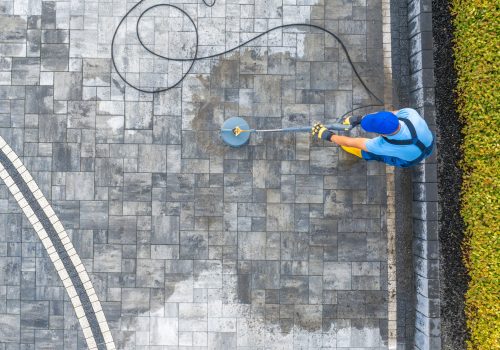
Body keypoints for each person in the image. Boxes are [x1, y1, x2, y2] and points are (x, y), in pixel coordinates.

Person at [311, 108, 434, 167]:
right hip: (428, 143)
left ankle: (359, 154)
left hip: (411, 159)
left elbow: (351, 142)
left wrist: (328, 135)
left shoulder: (382, 145)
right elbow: (390, 114)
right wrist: (359, 119)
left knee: (368, 152)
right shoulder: (410, 113)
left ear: (382, 134)